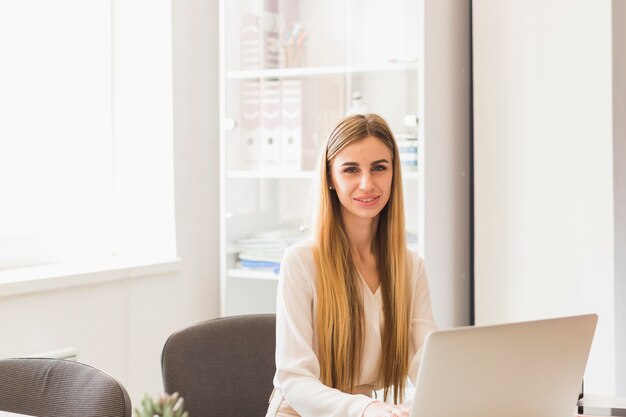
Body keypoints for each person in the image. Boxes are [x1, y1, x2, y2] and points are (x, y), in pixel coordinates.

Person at [265, 114, 437, 417]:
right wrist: (367, 408)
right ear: (330, 178)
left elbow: (429, 363)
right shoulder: (301, 263)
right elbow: (296, 379)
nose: (367, 184)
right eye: (351, 170)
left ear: (394, 174)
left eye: (379, 168)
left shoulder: (410, 267)